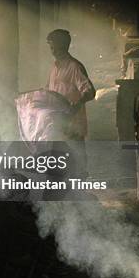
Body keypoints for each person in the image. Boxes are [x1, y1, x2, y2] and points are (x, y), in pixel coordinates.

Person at [45, 29, 96, 179]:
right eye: (50, 47)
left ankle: (80, 195)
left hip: (73, 124)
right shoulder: (54, 67)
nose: (52, 51)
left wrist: (76, 104)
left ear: (63, 46)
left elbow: (90, 91)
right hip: (58, 123)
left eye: (53, 47)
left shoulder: (74, 67)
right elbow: (48, 90)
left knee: (77, 162)